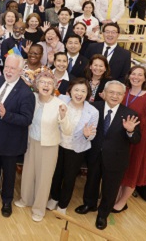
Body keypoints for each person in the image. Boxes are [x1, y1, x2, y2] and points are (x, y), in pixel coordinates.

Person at [74, 81, 141, 230]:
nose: (114, 96)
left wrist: (130, 131)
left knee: (110, 188)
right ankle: (89, 204)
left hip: (116, 158)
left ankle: (103, 214)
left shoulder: (130, 114)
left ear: (123, 96)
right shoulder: (92, 108)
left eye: (119, 93)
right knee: (91, 181)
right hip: (94, 153)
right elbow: (84, 128)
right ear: (104, 93)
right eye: (111, 92)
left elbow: (136, 139)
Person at [0, 54, 35, 218]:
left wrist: (6, 115)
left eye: (13, 68)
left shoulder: (26, 93)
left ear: (20, 70)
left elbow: (27, 119)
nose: (8, 71)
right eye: (7, 67)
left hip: (11, 140)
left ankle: (7, 201)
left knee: (9, 173)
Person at [14, 69, 70, 222]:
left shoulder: (60, 104)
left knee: (44, 178)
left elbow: (67, 130)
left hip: (49, 145)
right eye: (43, 82)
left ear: (54, 86)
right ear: (37, 84)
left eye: (49, 83)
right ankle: (26, 199)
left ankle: (39, 209)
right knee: (28, 173)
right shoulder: (31, 98)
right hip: (31, 141)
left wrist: (64, 117)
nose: (46, 85)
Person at [113, 66, 146, 212]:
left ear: (145, 78)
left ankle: (122, 202)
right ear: (128, 76)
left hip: (140, 140)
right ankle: (116, 196)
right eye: (133, 74)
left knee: (133, 170)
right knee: (120, 169)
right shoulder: (121, 91)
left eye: (140, 75)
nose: (136, 77)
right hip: (121, 138)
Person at [48, 78, 99, 214]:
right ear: (70, 91)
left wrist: (88, 135)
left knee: (69, 178)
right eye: (76, 89)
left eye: (83, 91)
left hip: (76, 149)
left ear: (87, 94)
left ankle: (63, 205)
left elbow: (92, 135)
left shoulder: (93, 112)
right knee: (56, 174)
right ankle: (54, 197)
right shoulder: (61, 100)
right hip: (57, 143)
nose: (79, 93)